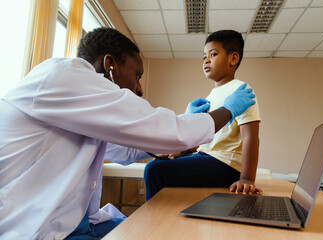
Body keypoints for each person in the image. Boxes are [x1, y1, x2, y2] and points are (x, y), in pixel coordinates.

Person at [0, 27, 256, 240]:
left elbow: (126, 149)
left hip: (66, 222)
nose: (140, 88)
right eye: (137, 75)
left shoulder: (82, 105)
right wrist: (228, 110)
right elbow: (164, 130)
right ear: (109, 64)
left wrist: (178, 135)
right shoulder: (65, 76)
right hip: (28, 227)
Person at [144, 30, 262, 201]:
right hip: (206, 156)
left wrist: (247, 178)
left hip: (225, 164)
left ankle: (151, 222)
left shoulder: (241, 91)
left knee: (154, 171)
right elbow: (203, 138)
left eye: (213, 54)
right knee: (159, 164)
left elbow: (251, 137)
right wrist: (176, 153)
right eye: (204, 56)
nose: (206, 60)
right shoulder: (210, 96)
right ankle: (162, 217)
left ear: (233, 58)